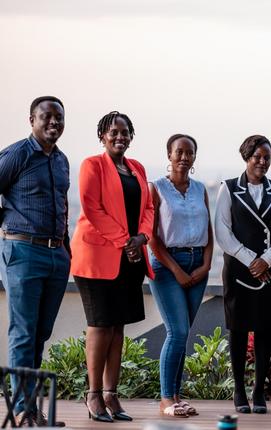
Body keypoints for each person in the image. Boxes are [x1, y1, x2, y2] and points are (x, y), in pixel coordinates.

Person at [71, 111, 154, 422]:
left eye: (125, 132)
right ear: (102, 136)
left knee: (118, 325)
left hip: (130, 257)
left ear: (131, 136)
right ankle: (93, 395)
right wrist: (125, 241)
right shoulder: (92, 166)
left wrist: (142, 237)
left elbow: (148, 206)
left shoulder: (137, 169)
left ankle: (111, 395)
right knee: (101, 324)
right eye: (113, 132)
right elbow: (93, 208)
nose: (119, 137)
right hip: (96, 258)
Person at [0, 96, 69, 426]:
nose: (54, 122)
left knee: (40, 333)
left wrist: (65, 249)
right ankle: (21, 409)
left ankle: (31, 408)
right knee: (24, 333)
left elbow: (62, 206)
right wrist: (8, 225)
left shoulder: (62, 160)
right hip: (23, 251)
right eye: (47, 117)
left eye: (59, 117)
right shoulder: (17, 154)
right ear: (32, 120)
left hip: (56, 254)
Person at [215, 135, 271, 414]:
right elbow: (223, 230)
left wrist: (268, 259)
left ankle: (259, 390)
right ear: (246, 157)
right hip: (239, 269)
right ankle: (239, 390)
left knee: (264, 331)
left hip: (270, 271)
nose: (262, 162)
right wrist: (251, 260)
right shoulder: (229, 188)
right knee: (237, 330)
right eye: (257, 156)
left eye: (267, 157)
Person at [148, 134, 213, 417]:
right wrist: (176, 270)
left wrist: (206, 265)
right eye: (179, 152)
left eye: (190, 153)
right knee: (177, 331)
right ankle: (165, 399)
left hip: (198, 263)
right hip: (166, 265)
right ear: (169, 155)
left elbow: (209, 232)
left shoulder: (200, 189)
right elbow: (151, 237)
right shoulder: (156, 188)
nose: (184, 157)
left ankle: (176, 396)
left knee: (182, 333)